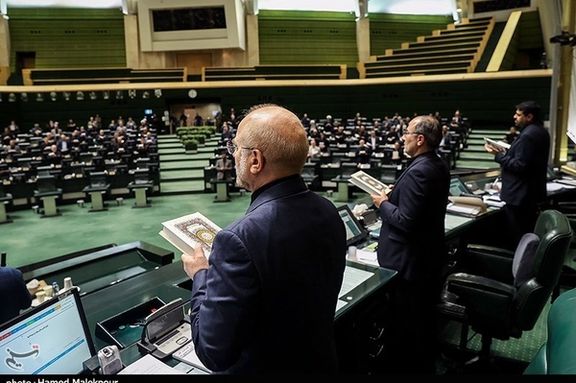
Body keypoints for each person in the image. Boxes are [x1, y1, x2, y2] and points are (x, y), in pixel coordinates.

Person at [181, 104, 347, 374]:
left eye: (236, 148)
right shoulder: (328, 211)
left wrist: (201, 275)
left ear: (255, 160)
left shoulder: (238, 239)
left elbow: (213, 353)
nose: (233, 155)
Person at [370, 115, 450, 374]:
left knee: (406, 323)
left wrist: (383, 204)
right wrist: (397, 195)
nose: (402, 137)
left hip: (409, 262)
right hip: (426, 256)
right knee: (419, 321)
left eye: (406, 132)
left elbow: (406, 221)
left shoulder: (420, 170)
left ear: (420, 139)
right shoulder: (435, 164)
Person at [485, 101, 550, 249]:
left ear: (529, 116)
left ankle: (518, 269)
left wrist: (497, 155)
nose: (514, 117)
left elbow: (520, 166)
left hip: (519, 198)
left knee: (518, 240)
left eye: (518, 114)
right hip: (530, 195)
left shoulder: (528, 136)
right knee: (526, 237)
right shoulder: (541, 131)